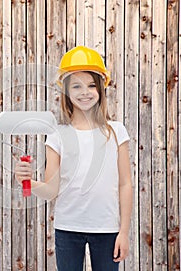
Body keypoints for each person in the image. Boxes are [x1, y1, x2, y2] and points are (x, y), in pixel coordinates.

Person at [14, 46, 133, 271]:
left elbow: (125, 183)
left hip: (107, 229)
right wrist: (27, 181)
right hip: (68, 228)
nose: (84, 92)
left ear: (101, 89)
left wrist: (124, 232)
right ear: (66, 91)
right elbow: (51, 190)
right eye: (76, 86)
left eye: (90, 85)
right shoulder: (58, 134)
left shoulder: (116, 131)